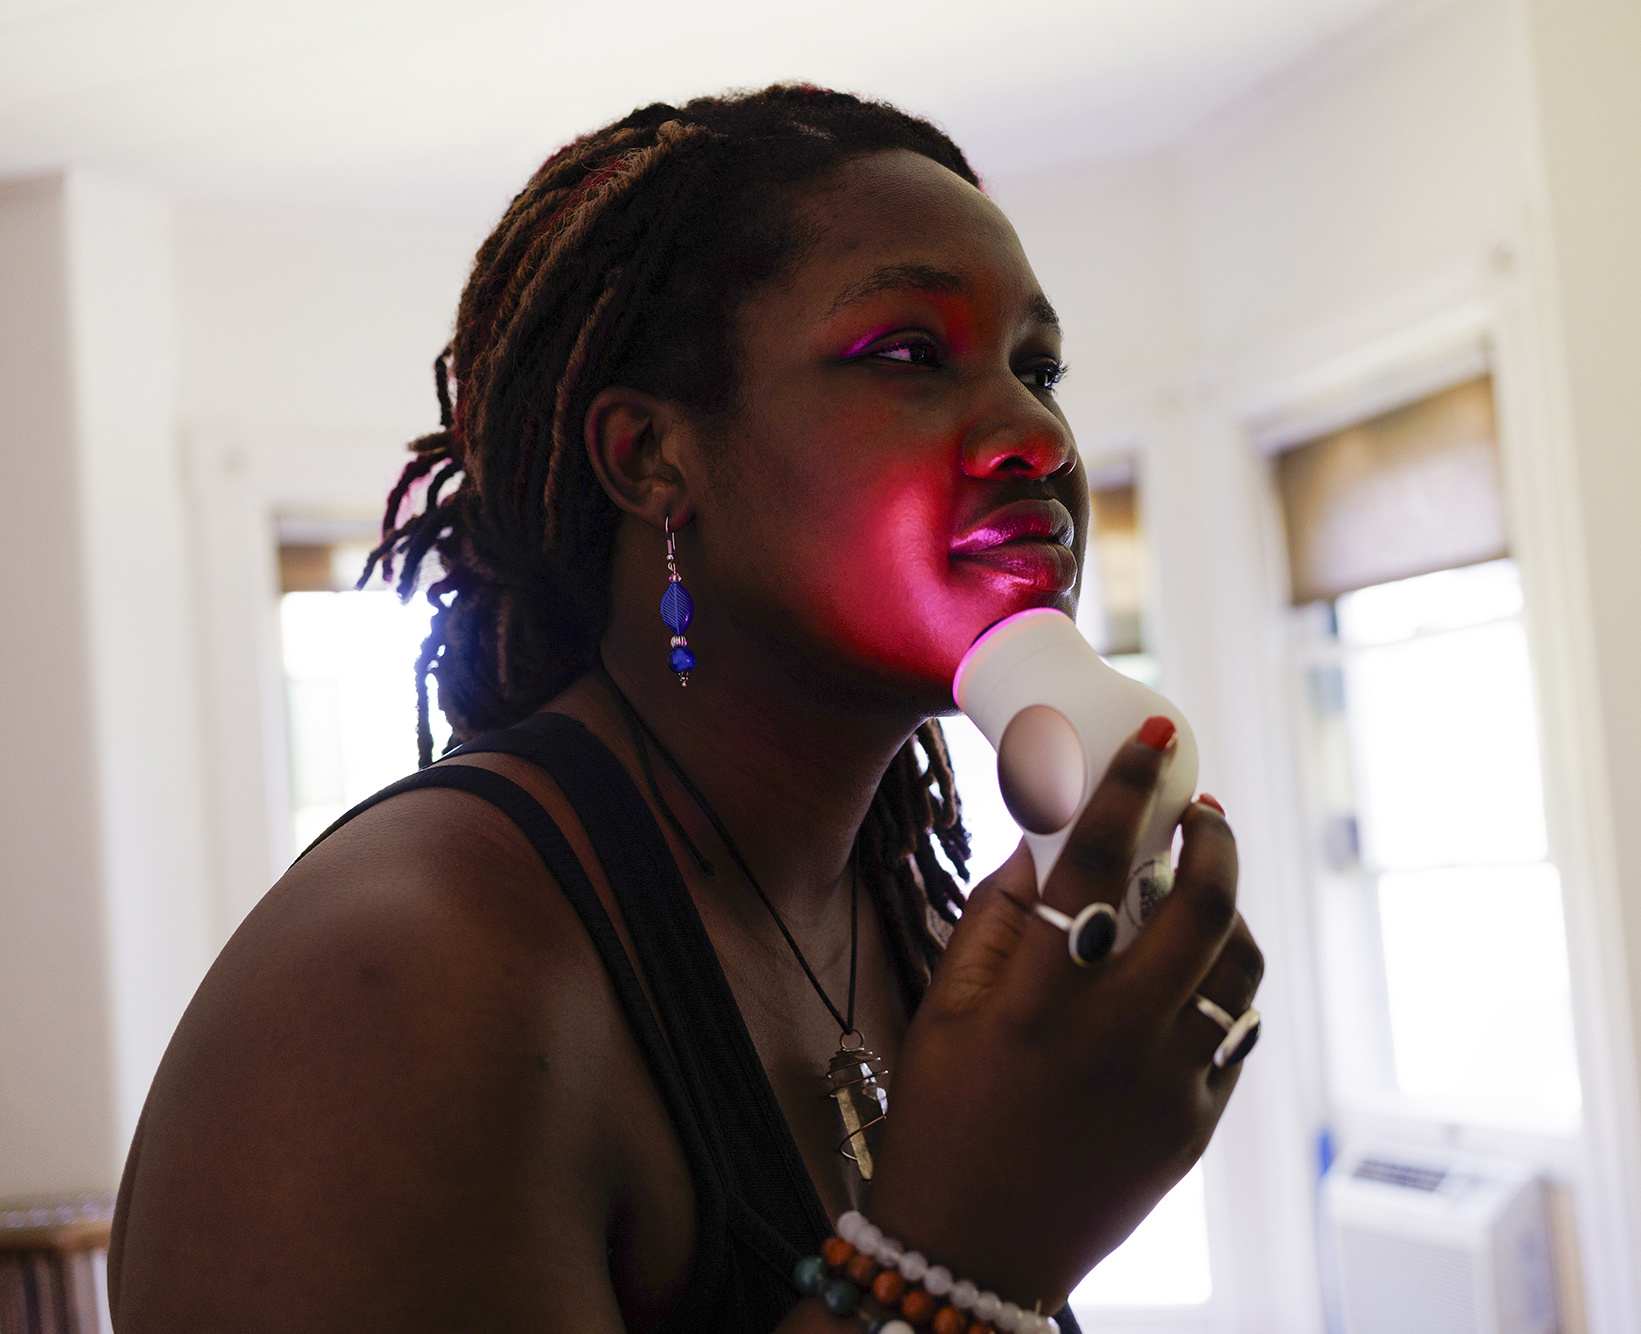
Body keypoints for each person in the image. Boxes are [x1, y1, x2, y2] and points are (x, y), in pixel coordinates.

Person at [107, 86, 1263, 1333]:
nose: (1037, 433)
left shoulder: (923, 932)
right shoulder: (395, 988)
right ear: (651, 456)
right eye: (908, 352)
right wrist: (960, 1254)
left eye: (1037, 368)